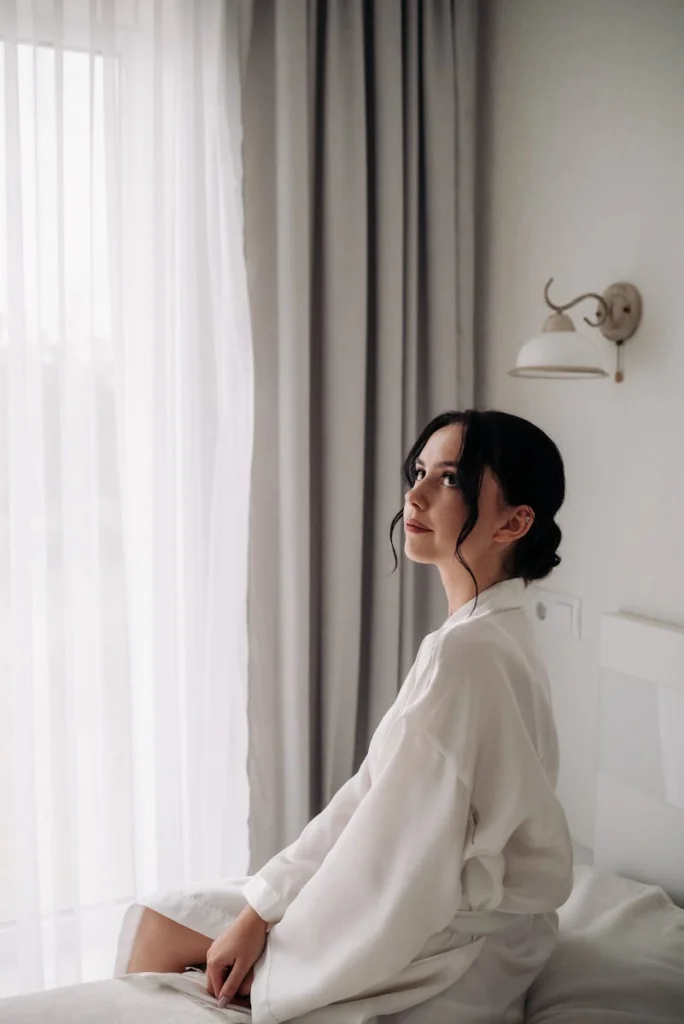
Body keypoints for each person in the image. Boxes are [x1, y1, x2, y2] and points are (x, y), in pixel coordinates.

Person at [119, 409, 573, 1024]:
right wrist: (264, 906)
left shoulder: (466, 653)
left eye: (452, 480)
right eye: (419, 472)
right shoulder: (497, 630)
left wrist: (285, 943)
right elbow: (372, 796)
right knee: (170, 915)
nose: (413, 495)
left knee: (161, 925)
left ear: (515, 522)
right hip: (496, 930)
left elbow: (394, 853)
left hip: (452, 942)